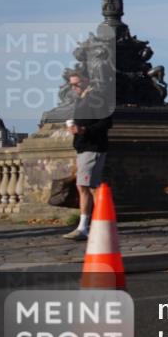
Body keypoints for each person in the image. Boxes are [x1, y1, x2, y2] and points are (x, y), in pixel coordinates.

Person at [62, 72, 112, 241]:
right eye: (71, 85)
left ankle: (86, 227)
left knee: (85, 187)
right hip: (84, 148)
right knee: (89, 187)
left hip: (92, 148)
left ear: (86, 82)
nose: (73, 87)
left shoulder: (96, 97)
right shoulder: (82, 99)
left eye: (76, 84)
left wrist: (84, 130)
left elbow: (107, 122)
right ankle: (102, 224)